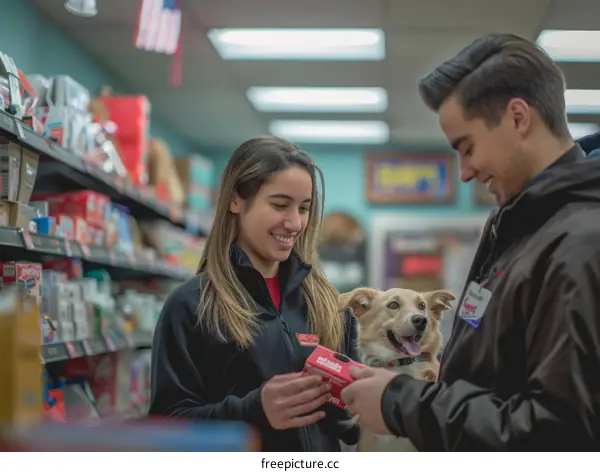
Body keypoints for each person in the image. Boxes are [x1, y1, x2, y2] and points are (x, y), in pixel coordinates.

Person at [341, 33, 600, 451]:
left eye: (467, 147)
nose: (463, 172)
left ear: (518, 117)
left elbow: (559, 436)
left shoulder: (580, 244)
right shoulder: (519, 226)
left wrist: (401, 403)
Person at [149, 136, 360, 452]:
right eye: (279, 205)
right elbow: (167, 426)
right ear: (236, 201)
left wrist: (369, 397)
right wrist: (253, 411)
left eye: (304, 208)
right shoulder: (191, 305)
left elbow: (348, 428)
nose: (294, 223)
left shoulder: (329, 304)